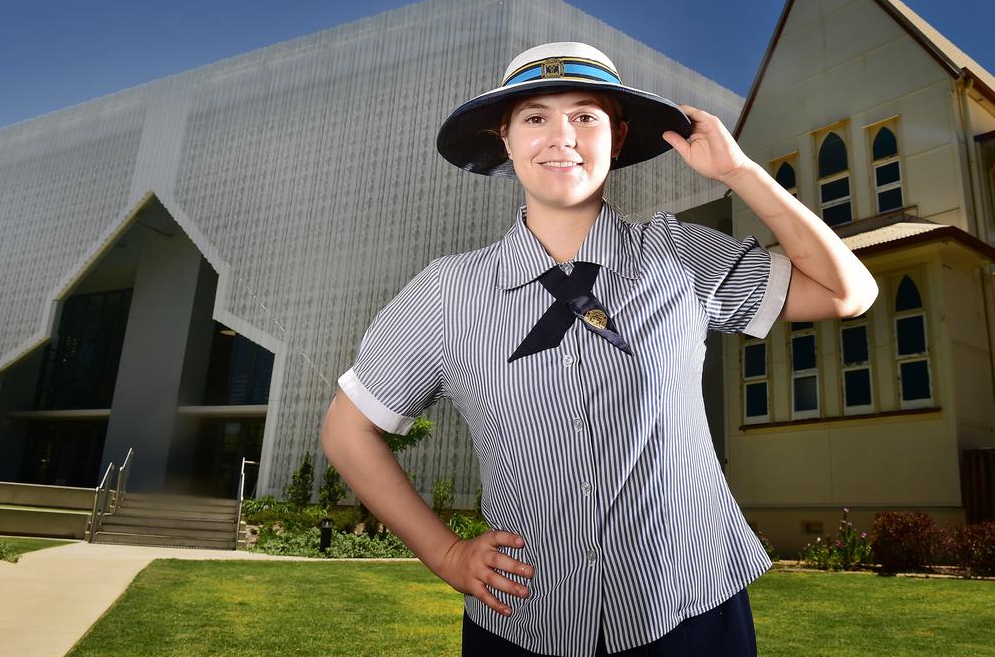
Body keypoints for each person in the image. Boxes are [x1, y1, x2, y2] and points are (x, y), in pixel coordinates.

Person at [320, 42, 877, 656]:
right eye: (535, 117)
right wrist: (446, 552)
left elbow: (847, 292)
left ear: (618, 136)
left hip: (692, 611)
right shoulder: (446, 292)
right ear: (504, 139)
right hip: (525, 622)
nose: (562, 136)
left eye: (586, 116)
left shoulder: (682, 257)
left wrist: (739, 173)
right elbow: (348, 432)